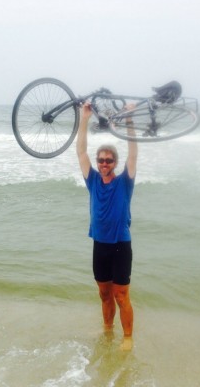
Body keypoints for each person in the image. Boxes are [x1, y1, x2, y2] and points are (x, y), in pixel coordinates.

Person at [76, 102, 138, 351]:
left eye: (108, 160)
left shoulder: (125, 182)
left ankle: (128, 337)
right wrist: (84, 119)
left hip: (121, 246)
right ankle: (107, 330)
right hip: (99, 245)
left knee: (121, 295)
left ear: (114, 162)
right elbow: (81, 152)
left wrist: (130, 120)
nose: (103, 163)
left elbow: (133, 153)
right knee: (103, 294)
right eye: (101, 160)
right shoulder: (92, 180)